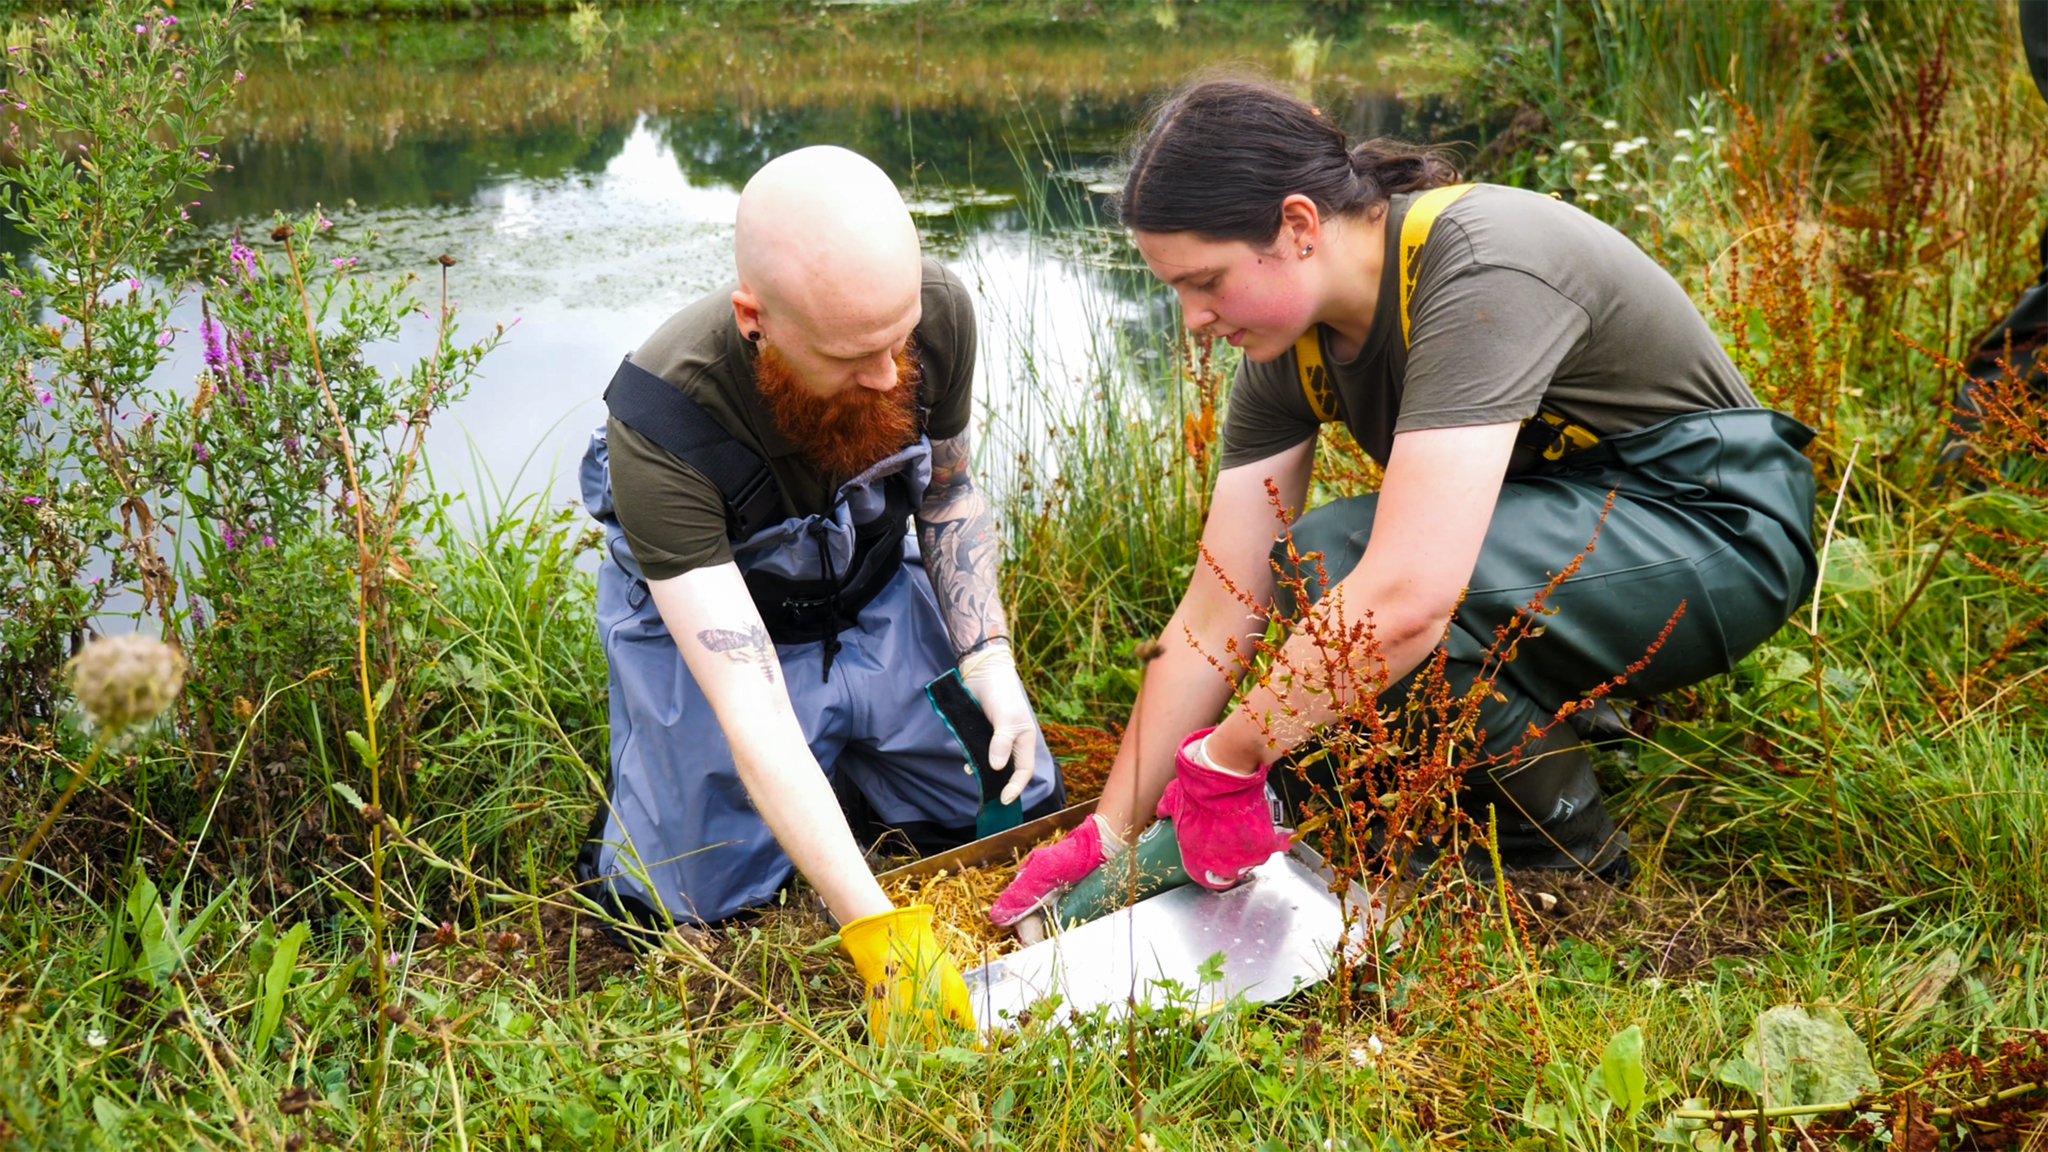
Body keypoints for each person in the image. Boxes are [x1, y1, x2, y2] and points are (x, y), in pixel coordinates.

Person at [991, 77, 1817, 926]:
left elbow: (1409, 598)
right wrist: (1112, 827)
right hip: (1582, 530)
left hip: (1720, 531)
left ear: (1299, 226)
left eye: (1206, 280)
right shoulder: (1287, 350)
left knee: (1346, 568)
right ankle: (1551, 718)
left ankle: (1560, 855)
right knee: (1321, 578)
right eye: (1175, 288)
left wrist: (1228, 766)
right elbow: (1215, 611)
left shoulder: (1480, 262)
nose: (1193, 318)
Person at [575, 146, 1062, 1041]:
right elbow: (747, 702)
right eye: (851, 355)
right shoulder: (664, 419)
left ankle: (851, 760)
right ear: (754, 319)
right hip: (728, 637)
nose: (889, 375)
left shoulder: (934, 313)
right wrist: (874, 928)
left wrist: (987, 655)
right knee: (684, 888)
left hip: (870, 599)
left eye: (899, 339)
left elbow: (946, 491)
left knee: (1012, 796)